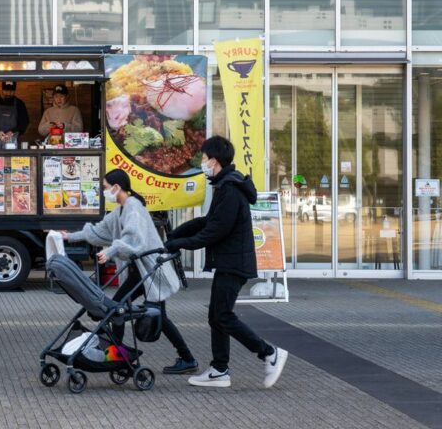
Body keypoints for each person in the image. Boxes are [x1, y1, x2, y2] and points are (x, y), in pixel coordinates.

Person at [164, 135, 288, 389]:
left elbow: (214, 232)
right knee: (216, 315)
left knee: (222, 315)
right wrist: (175, 234)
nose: (202, 162)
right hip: (229, 261)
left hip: (235, 263)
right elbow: (208, 221)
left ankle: (268, 353)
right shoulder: (224, 185)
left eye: (204, 158)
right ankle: (219, 370)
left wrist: (178, 244)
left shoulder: (230, 189)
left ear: (215, 161)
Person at [60, 169, 197, 375]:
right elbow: (98, 231)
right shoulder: (120, 210)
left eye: (106, 188)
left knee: (125, 310)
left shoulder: (134, 208)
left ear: (117, 188)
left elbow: (134, 239)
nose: (104, 191)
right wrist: (69, 237)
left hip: (150, 270)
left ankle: (127, 357)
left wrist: (112, 249)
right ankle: (123, 356)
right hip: (139, 272)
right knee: (121, 309)